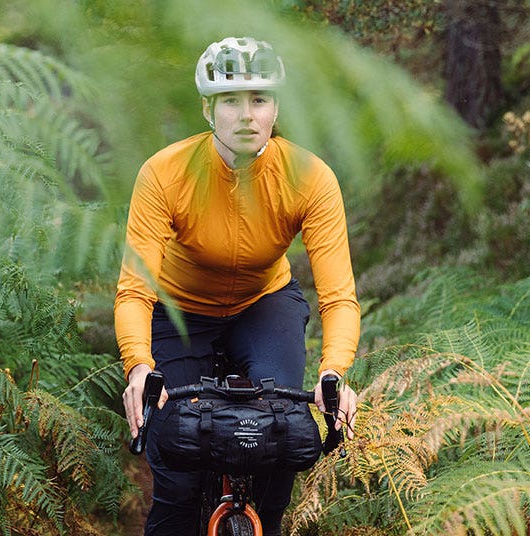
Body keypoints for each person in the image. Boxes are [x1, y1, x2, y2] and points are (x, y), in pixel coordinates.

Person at [115, 36, 360, 536]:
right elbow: (135, 289)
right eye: (231, 100)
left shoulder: (310, 178)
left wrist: (335, 372)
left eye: (259, 99)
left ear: (275, 108)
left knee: (281, 444)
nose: (246, 114)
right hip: (179, 311)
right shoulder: (165, 174)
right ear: (208, 109)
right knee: (177, 478)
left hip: (264, 305)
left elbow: (338, 296)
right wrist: (139, 365)